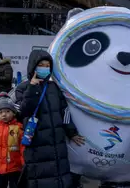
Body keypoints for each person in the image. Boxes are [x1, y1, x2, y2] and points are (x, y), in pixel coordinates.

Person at [15, 50, 85, 188]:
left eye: (47, 65)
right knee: (40, 177)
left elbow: (64, 111)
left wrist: (72, 132)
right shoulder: (22, 88)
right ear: (33, 66)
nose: (45, 68)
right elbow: (23, 111)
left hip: (57, 142)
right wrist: (33, 88)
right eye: (41, 65)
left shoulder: (54, 88)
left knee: (60, 177)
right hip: (37, 142)